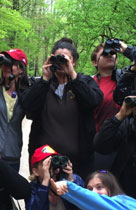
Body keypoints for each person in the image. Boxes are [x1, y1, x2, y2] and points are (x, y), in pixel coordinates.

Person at [20, 38, 103, 177]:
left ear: (74, 62)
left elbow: (93, 101)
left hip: (78, 162)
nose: (61, 63)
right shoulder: (41, 83)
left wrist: (73, 77)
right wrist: (44, 80)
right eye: (57, 58)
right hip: (44, 161)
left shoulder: (85, 81)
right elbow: (27, 105)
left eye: (66, 59)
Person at [89, 39, 136, 171]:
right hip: (99, 141)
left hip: (126, 141)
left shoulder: (127, 77)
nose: (109, 55)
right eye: (104, 54)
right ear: (94, 62)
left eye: (113, 53)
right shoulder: (89, 83)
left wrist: (123, 47)